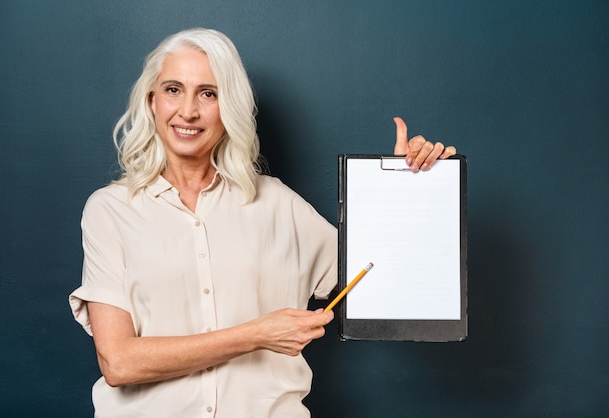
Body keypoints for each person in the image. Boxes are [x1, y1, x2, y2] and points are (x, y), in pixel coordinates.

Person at [69, 28, 456, 417]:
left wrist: (408, 188)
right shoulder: (110, 210)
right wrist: (256, 335)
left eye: (209, 93)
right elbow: (119, 363)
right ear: (152, 101)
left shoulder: (276, 202)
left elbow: (380, 278)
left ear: (230, 106)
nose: (187, 110)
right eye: (173, 89)